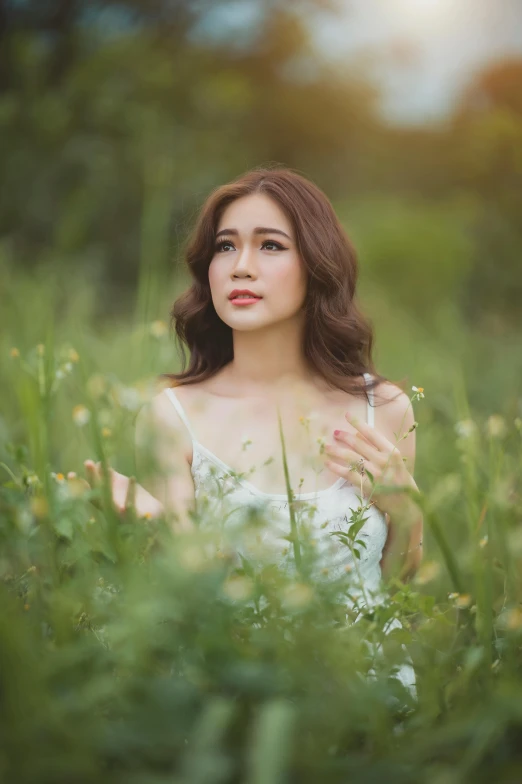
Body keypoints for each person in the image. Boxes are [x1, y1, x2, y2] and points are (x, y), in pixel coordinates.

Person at [84, 165, 423, 695]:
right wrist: (156, 525)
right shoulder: (172, 415)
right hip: (232, 703)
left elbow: (396, 585)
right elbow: (193, 602)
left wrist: (408, 512)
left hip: (368, 705)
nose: (241, 267)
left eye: (270, 246)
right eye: (225, 247)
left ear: (317, 265)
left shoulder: (386, 409)